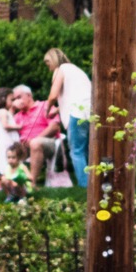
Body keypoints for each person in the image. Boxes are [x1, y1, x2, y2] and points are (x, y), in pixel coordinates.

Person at [44, 48, 91, 187]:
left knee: (76, 151)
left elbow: (53, 95)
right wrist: (58, 110)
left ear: (53, 60)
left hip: (76, 114)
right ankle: (96, 184)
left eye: (48, 63)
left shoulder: (61, 69)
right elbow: (75, 96)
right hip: (89, 113)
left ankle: (85, 186)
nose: (48, 67)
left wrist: (47, 109)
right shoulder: (76, 70)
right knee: (87, 151)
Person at [14, 84, 61, 186]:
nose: (17, 101)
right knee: (9, 147)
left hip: (47, 142)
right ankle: (11, 183)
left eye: (19, 97)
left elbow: (54, 127)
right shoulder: (17, 116)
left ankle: (32, 183)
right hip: (24, 146)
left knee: (35, 143)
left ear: (29, 95)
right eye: (15, 99)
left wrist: (35, 139)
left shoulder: (45, 106)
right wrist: (13, 108)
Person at [0, 86, 21, 178]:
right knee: (4, 162)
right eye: (11, 100)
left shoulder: (6, 112)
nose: (13, 102)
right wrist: (18, 127)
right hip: (5, 142)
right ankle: (4, 182)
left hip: (9, 141)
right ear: (3, 99)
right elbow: (5, 126)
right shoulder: (2, 111)